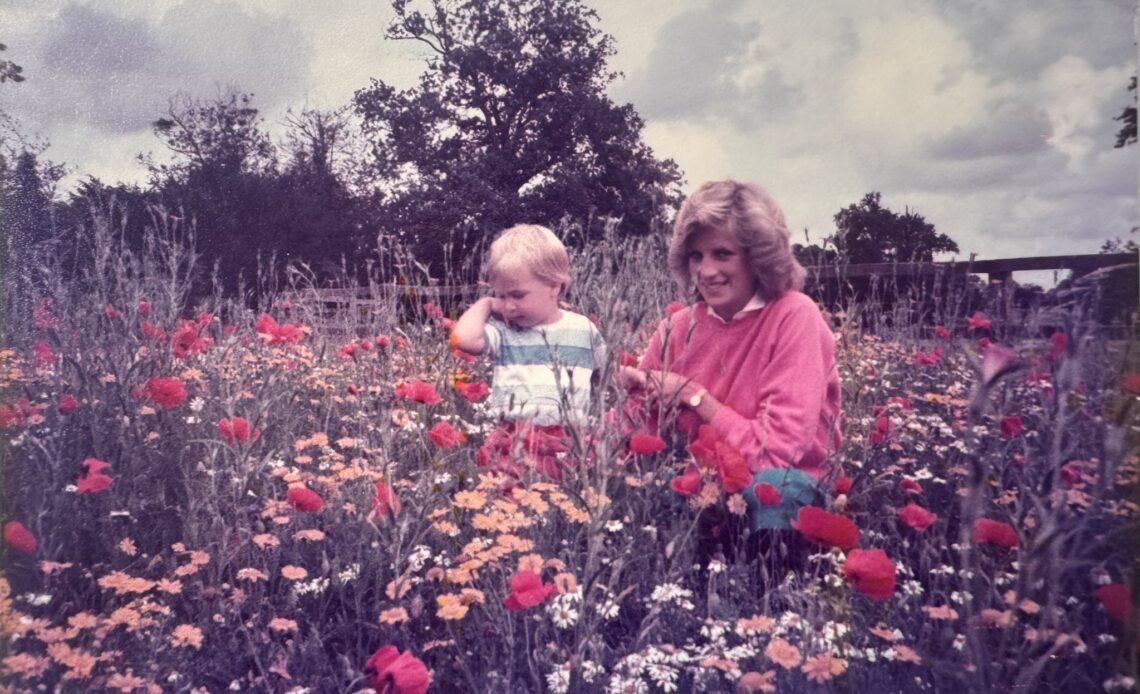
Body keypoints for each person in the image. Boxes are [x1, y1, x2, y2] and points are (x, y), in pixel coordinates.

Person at [620, 180, 842, 569]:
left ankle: (774, 607)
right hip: (701, 483)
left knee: (773, 490)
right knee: (640, 494)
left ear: (758, 257)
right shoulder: (677, 327)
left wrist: (693, 396)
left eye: (722, 254)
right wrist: (552, 445)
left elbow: (776, 454)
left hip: (782, 487)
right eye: (696, 256)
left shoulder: (794, 315)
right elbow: (637, 425)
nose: (706, 271)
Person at [452, 224, 606, 481]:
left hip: (567, 443)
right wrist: (486, 304)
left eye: (518, 295)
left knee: (562, 510)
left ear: (554, 286)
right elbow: (463, 339)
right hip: (512, 442)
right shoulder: (504, 332)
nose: (509, 306)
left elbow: (607, 379)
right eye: (501, 295)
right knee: (510, 511)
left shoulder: (584, 331)